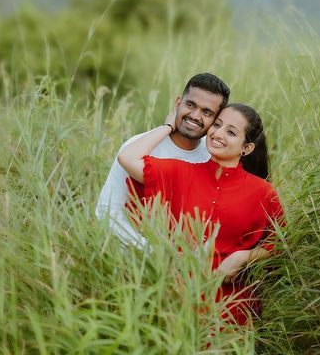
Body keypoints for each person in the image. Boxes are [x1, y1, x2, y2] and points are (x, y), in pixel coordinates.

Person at [117, 103, 284, 326]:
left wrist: (243, 257)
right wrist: (169, 125)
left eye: (231, 132)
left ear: (247, 148)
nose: (218, 134)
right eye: (217, 124)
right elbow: (127, 158)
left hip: (232, 314)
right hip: (175, 305)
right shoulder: (180, 173)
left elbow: (281, 245)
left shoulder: (262, 192)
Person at [96, 73, 231, 248]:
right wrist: (150, 253)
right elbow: (107, 211)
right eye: (190, 105)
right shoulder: (137, 148)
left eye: (207, 112)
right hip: (132, 257)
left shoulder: (212, 155)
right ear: (178, 103)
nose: (195, 116)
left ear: (216, 120)